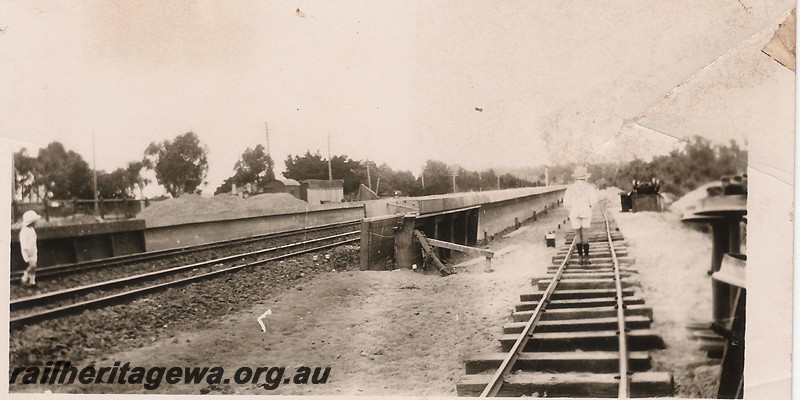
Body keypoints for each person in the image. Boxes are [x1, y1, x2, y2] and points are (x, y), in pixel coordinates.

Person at [563, 165, 598, 264]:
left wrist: (571, 210)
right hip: (586, 212)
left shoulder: (570, 188)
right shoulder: (589, 187)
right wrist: (589, 207)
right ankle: (587, 258)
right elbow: (594, 201)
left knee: (578, 234)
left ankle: (580, 258)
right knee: (585, 233)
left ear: (575, 177)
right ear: (585, 177)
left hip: (574, 212)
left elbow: (566, 203)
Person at [19, 210, 41, 286]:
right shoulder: (24, 231)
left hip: (33, 251)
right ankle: (24, 279)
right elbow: (24, 243)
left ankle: (32, 282)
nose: (36, 223)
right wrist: (27, 251)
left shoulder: (32, 230)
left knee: (34, 267)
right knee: (32, 266)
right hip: (28, 252)